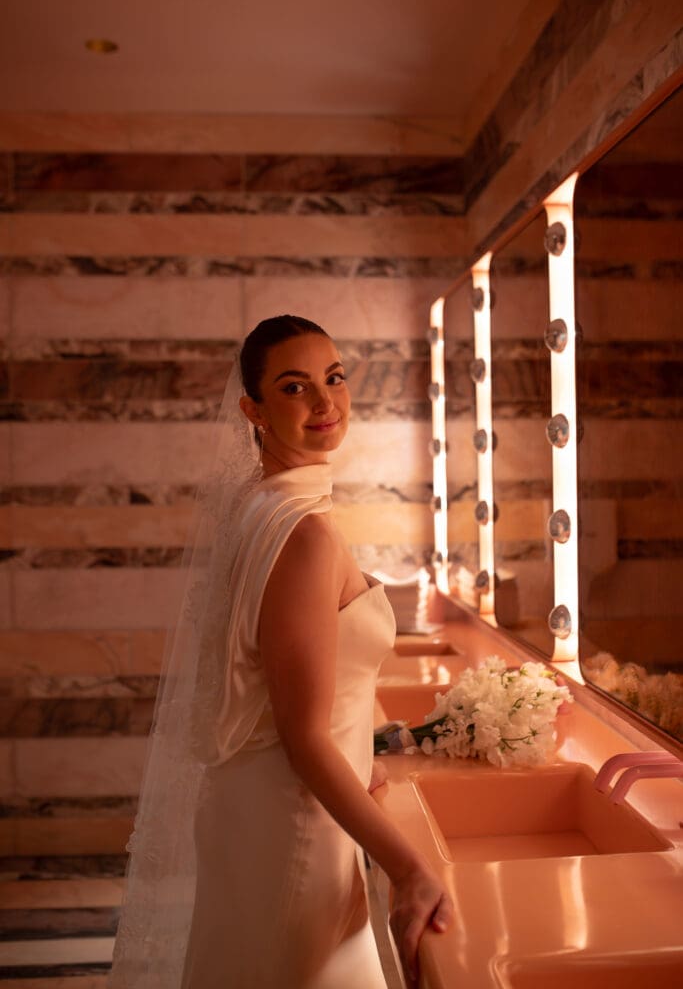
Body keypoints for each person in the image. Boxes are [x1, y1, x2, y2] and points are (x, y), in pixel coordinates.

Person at [109, 315, 452, 989]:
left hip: (265, 805)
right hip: (295, 819)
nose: (325, 403)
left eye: (334, 378)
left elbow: (285, 689)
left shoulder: (260, 503)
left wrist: (363, 759)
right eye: (295, 388)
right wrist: (409, 868)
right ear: (254, 411)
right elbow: (303, 737)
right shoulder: (301, 533)